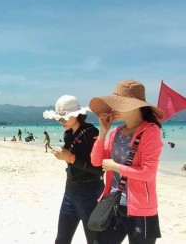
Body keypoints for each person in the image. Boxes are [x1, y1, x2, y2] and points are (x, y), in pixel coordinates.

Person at [89, 80, 163, 244]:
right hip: (114, 203)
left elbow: (147, 173)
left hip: (141, 210)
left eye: (119, 104)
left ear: (136, 106)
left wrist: (114, 166)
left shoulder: (151, 132)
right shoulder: (116, 132)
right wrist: (103, 133)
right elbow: (96, 161)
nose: (113, 109)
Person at [43, 95, 104, 244]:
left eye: (64, 118)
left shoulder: (92, 133)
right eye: (59, 119)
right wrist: (66, 158)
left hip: (90, 193)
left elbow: (99, 170)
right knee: (62, 239)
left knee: (94, 240)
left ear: (76, 115)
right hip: (70, 191)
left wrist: (71, 159)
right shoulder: (68, 133)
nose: (61, 122)